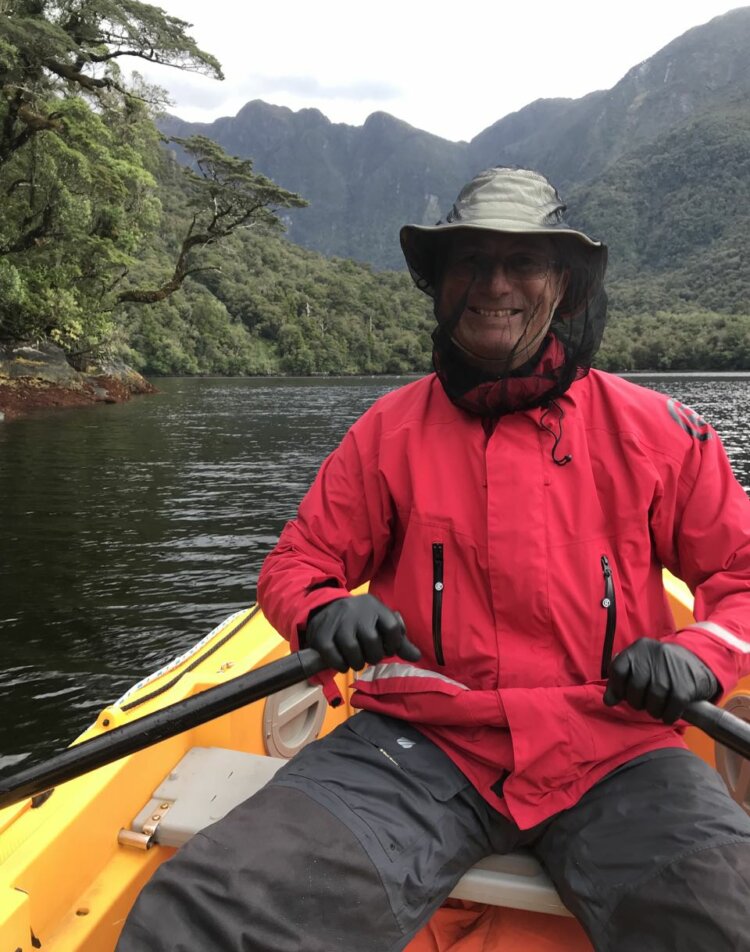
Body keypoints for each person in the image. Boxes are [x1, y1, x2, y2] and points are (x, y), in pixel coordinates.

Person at [117, 167, 750, 952]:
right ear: (442, 284)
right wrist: (323, 609)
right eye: (470, 263)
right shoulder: (386, 432)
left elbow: (741, 577)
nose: (494, 286)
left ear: (565, 287)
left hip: (618, 749)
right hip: (417, 750)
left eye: (522, 263)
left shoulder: (664, 432)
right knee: (204, 915)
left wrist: (699, 655)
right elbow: (295, 564)